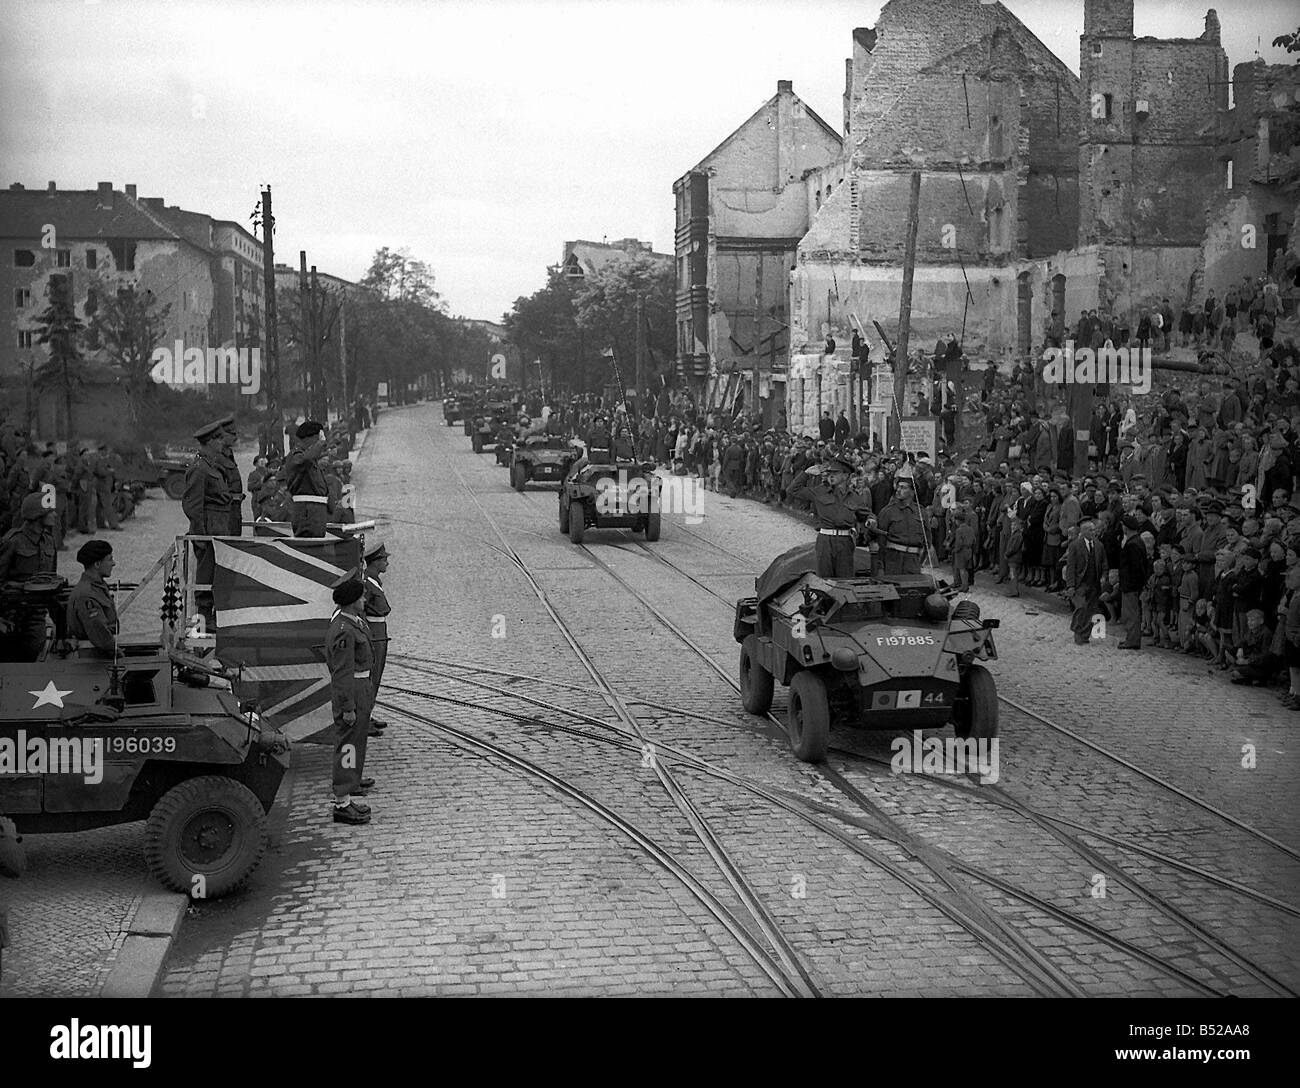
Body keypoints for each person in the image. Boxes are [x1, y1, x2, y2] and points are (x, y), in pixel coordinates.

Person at [327, 577, 376, 826]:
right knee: (348, 745)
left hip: (360, 688)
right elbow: (341, 672)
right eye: (361, 597)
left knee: (355, 742)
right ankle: (342, 803)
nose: (365, 600)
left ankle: (351, 783)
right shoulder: (344, 630)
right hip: (352, 691)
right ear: (352, 601)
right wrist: (347, 707)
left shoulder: (351, 622)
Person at [785, 456, 873, 578]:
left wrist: (871, 520)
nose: (831, 476)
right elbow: (792, 490)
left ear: (846, 476)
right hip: (825, 541)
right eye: (829, 473)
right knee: (824, 580)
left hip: (845, 542)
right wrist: (806, 474)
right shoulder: (820, 492)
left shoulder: (854, 497)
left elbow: (867, 514)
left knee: (844, 580)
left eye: (835, 473)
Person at [66, 539, 118, 656]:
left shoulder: (98, 586)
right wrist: (118, 653)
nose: (113, 563)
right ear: (97, 564)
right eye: (110, 559)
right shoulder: (87, 595)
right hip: (93, 658)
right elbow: (100, 634)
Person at [183, 420, 234, 535]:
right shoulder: (199, 469)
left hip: (219, 530)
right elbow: (193, 508)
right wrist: (201, 540)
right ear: (210, 441)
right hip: (208, 535)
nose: (223, 442)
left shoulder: (211, 466)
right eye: (220, 439)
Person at [362, 542, 391, 738]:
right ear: (375, 562)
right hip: (373, 632)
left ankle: (368, 714)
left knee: (376, 675)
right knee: (371, 676)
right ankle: (363, 720)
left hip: (379, 630)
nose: (387, 563)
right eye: (384, 559)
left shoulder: (374, 581)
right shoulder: (367, 583)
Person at [1064, 519, 1107, 645]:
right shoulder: (1075, 545)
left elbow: (1104, 563)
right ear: (1083, 532)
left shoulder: (1099, 545)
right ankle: (1077, 631)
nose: (1094, 532)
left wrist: (1104, 576)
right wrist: (1070, 585)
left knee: (1092, 610)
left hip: (1094, 583)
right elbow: (1071, 566)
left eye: (1094, 530)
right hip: (1080, 583)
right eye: (1090, 530)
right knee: (1081, 607)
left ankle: (1085, 634)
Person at [284, 421, 330, 536]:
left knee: (316, 547)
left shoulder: (309, 458)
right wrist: (321, 443)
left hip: (314, 511)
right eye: (318, 438)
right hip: (306, 512)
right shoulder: (296, 456)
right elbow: (306, 459)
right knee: (309, 547)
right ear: (311, 438)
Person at [874, 475, 927, 574]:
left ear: (912, 492)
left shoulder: (921, 512)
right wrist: (882, 563)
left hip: (913, 560)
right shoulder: (888, 511)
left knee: (912, 587)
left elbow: (927, 540)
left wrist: (920, 561)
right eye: (898, 487)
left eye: (903, 487)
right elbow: (880, 539)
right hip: (893, 559)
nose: (898, 490)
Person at [1117, 513, 1150, 649]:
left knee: (1131, 614)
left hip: (1131, 585)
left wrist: (1136, 584)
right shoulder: (1136, 541)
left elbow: (1137, 568)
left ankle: (1132, 640)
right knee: (1130, 613)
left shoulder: (1133, 544)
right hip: (1130, 584)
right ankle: (1131, 638)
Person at [216, 415, 245, 536]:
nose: (236, 438)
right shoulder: (217, 457)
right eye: (232, 434)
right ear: (222, 436)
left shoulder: (229, 454)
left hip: (234, 509)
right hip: (224, 511)